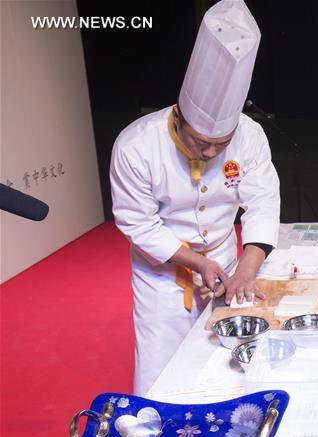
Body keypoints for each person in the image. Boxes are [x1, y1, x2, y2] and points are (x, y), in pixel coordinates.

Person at [111, 0, 280, 396]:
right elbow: (138, 223)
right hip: (162, 272)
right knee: (160, 366)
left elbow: (263, 202)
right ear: (178, 117)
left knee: (227, 361)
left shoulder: (250, 136)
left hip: (225, 258)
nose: (209, 153)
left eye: (220, 145)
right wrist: (195, 262)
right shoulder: (136, 146)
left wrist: (245, 271)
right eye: (200, 142)